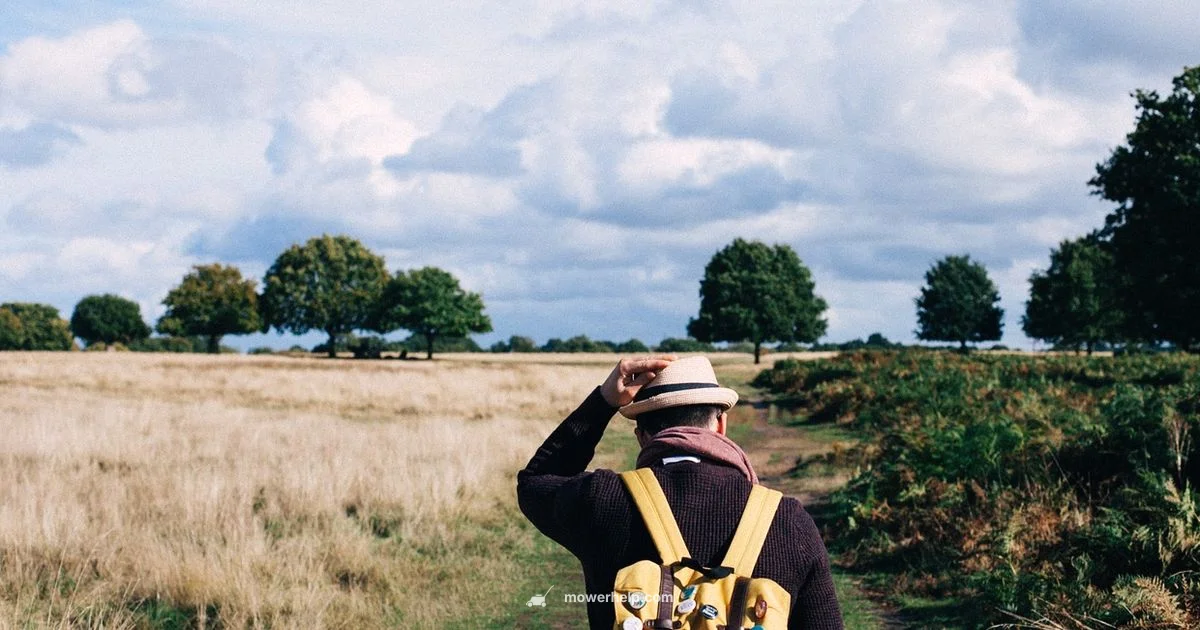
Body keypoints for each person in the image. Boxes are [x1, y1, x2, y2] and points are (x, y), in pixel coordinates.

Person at [517, 355, 843, 629]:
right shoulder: (787, 520)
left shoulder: (603, 500)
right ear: (720, 425)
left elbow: (536, 480)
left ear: (642, 436)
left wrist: (603, 402)